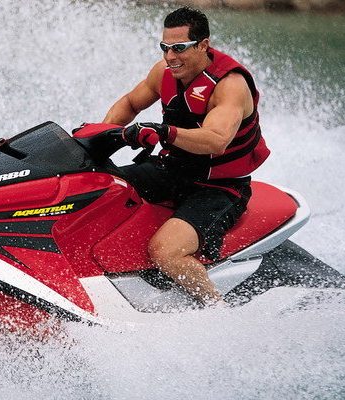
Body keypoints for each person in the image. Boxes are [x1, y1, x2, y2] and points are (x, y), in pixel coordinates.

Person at [102, 7, 270, 305]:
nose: (170, 57)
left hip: (219, 188)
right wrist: (101, 135)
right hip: (172, 170)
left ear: (203, 45)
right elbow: (129, 104)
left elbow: (216, 140)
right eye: (164, 48)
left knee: (165, 251)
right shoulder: (163, 72)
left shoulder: (230, 86)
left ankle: (216, 310)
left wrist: (164, 132)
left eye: (179, 48)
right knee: (100, 185)